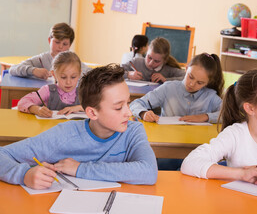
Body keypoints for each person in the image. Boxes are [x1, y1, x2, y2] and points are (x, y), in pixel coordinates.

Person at [0, 64, 158, 189]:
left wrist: (80, 169)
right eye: (118, 107)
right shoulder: (64, 135)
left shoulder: (133, 131)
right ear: (92, 113)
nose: (128, 112)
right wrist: (24, 175)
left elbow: (149, 172)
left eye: (128, 103)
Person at [130, 53, 224, 124]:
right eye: (190, 77)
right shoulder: (168, 88)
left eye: (200, 83)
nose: (192, 84)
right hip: (168, 140)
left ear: (208, 82)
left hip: (197, 144)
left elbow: (230, 115)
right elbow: (135, 103)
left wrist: (205, 117)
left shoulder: (210, 96)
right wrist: (143, 113)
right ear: (186, 69)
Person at [9, 22, 91, 79]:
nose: (60, 47)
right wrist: (34, 70)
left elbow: (91, 73)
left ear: (70, 45)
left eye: (65, 44)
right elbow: (13, 69)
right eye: (57, 42)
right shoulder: (41, 60)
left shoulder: (73, 61)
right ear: (49, 40)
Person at [17, 51, 84, 117]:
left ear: (79, 74)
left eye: (73, 77)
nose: (68, 82)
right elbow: (23, 102)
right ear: (54, 74)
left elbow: (94, 106)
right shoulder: (48, 90)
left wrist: (79, 107)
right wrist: (37, 109)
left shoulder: (83, 92)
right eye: (63, 77)